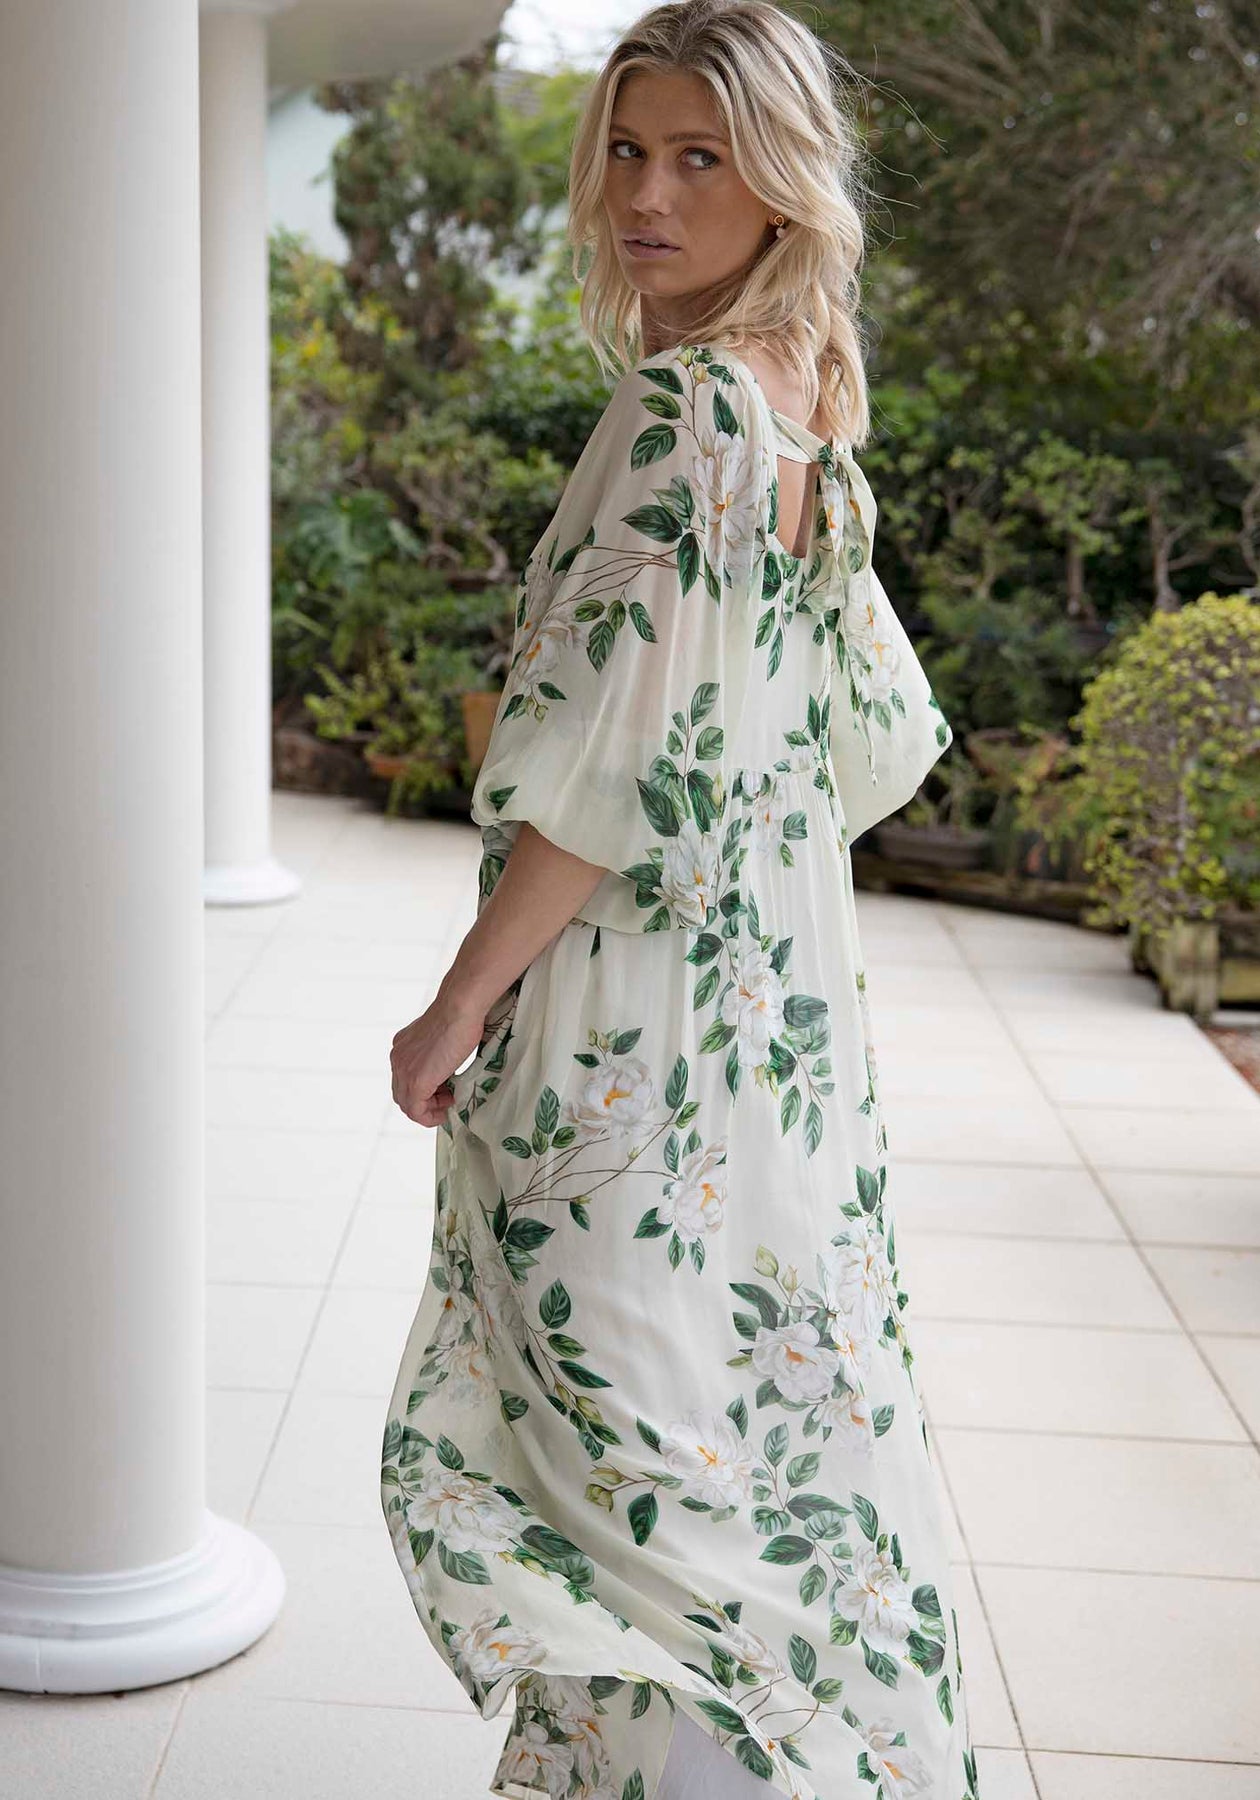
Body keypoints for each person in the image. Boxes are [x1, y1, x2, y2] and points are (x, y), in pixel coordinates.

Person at [381, 3, 980, 1796]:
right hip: (767, 1028)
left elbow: (607, 771)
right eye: (628, 151)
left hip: (628, 1033)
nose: (648, 195)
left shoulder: (690, 409)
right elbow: (871, 739)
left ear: (781, 183)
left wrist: (460, 1001)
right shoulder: (807, 399)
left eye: (701, 158)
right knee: (746, 1440)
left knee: (619, 1485)